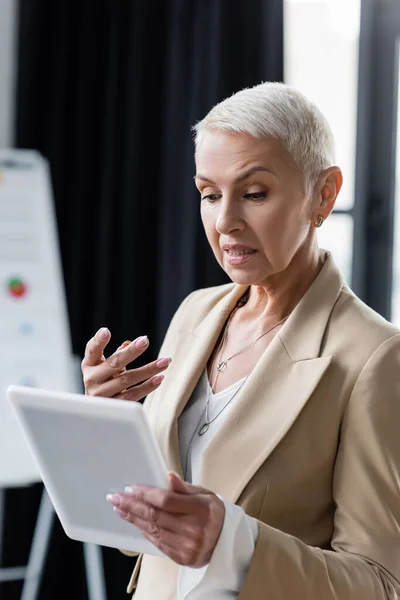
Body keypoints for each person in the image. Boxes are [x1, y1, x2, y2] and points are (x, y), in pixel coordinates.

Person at [81, 82, 400, 600]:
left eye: (254, 193)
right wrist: (106, 424)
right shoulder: (195, 313)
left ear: (324, 194)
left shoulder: (374, 358)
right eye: (209, 194)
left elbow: (381, 583)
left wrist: (234, 541)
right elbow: (138, 539)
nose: (225, 222)